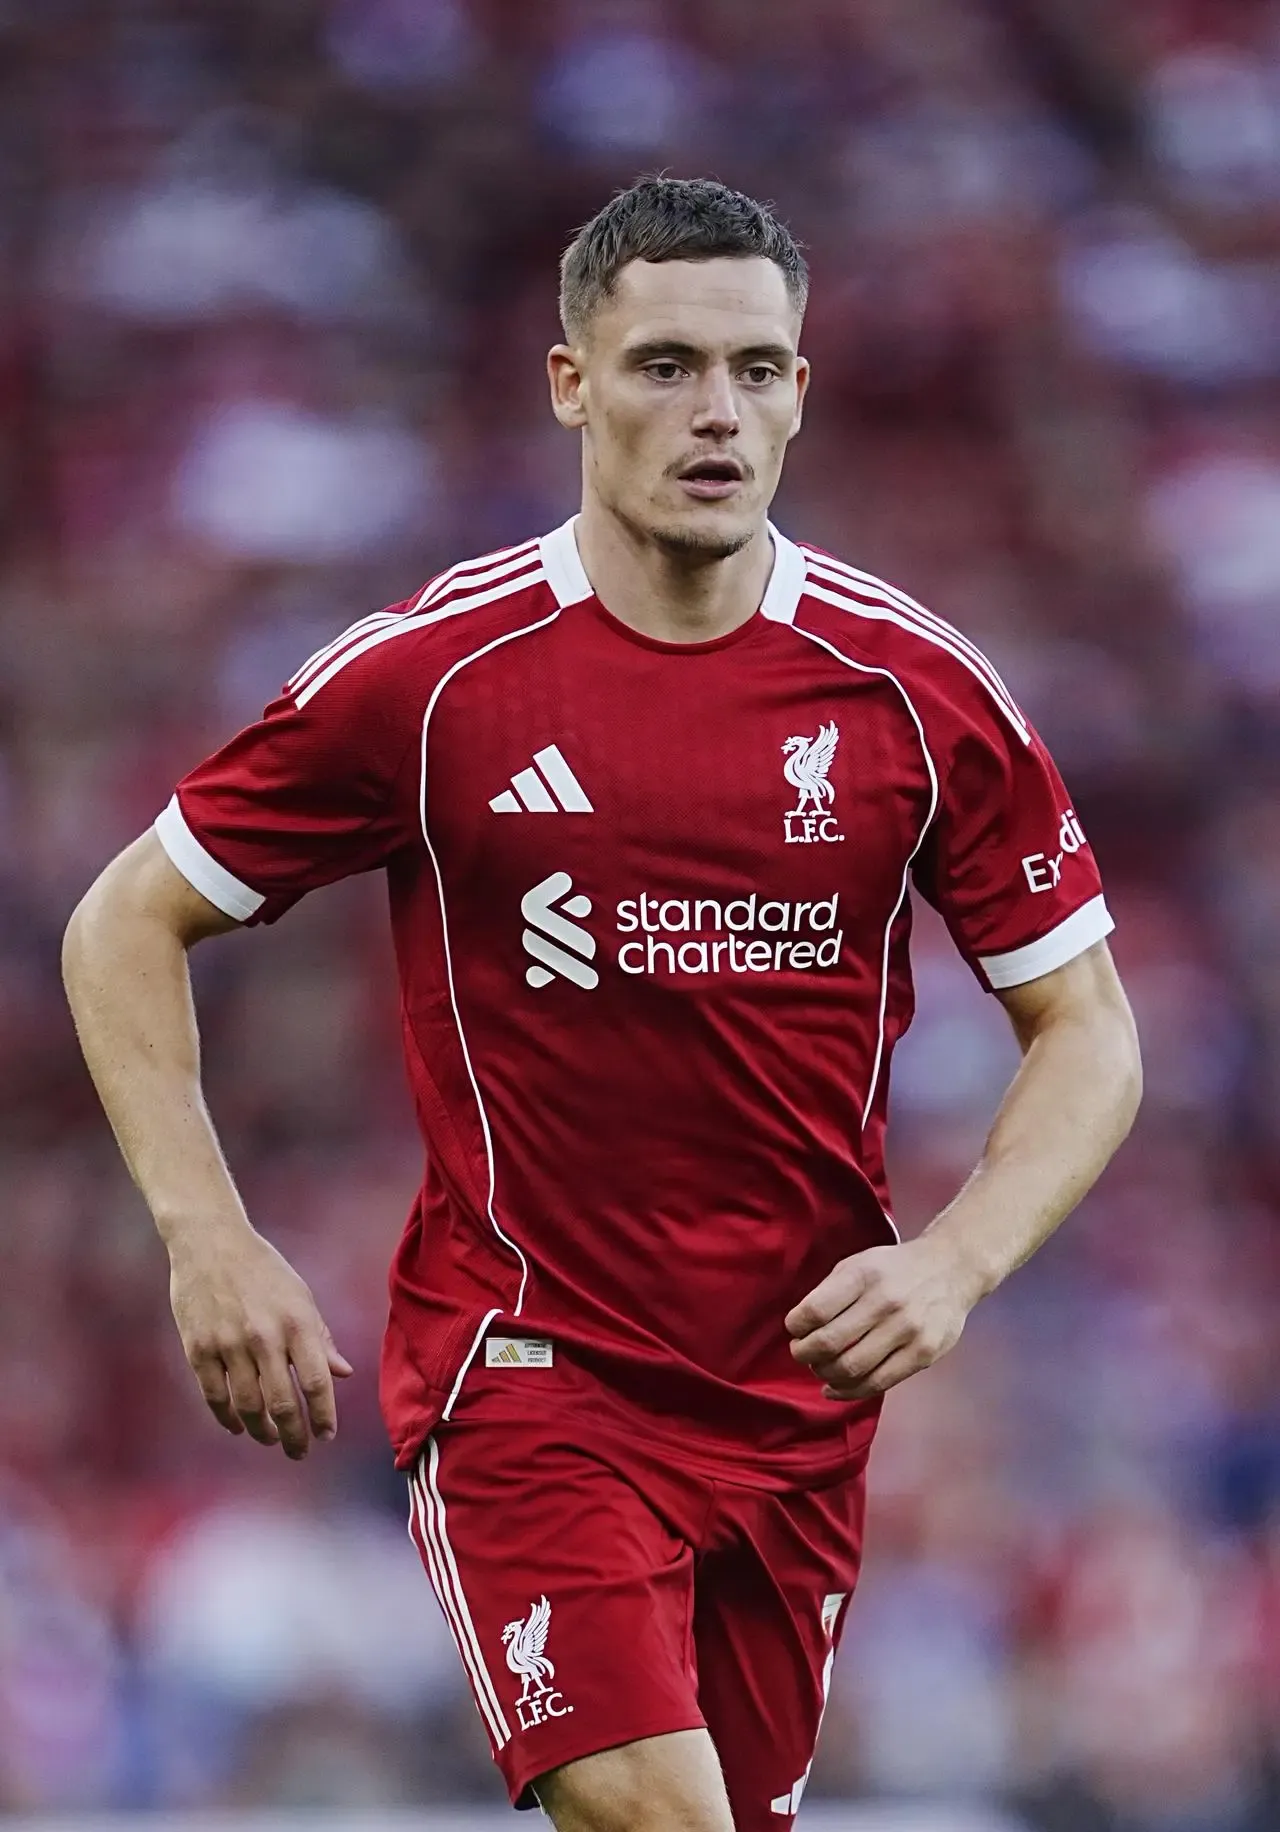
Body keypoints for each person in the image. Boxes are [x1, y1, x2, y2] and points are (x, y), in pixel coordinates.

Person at [62, 177, 1142, 1832]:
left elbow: (1092, 1031)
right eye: (665, 365)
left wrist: (958, 1260)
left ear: (802, 391)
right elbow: (125, 918)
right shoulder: (433, 678)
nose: (718, 412)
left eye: (759, 370)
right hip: (531, 1375)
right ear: (572, 383)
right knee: (656, 1818)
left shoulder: (915, 694)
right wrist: (206, 1233)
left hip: (797, 1409)